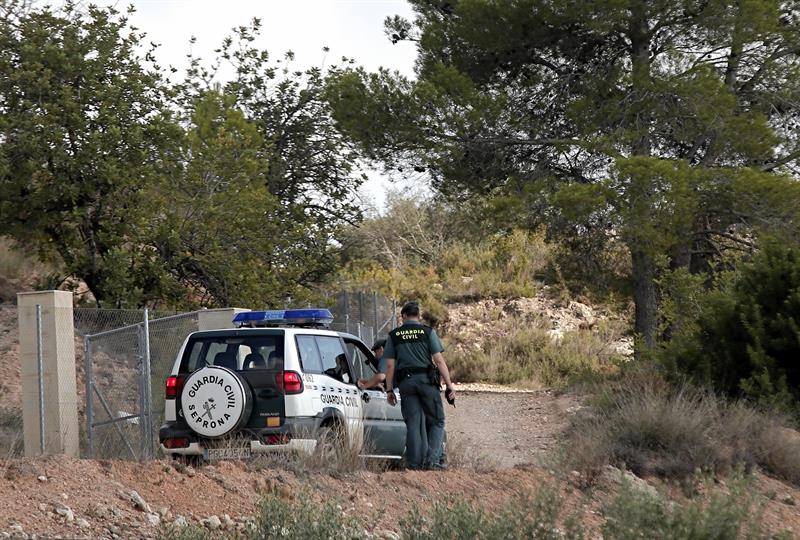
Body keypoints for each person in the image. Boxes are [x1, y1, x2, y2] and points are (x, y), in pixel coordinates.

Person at [383, 301, 455, 470]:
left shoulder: (394, 335)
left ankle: (414, 466)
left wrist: (389, 390)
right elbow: (439, 360)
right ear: (418, 315)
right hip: (426, 382)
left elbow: (390, 366)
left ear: (403, 316)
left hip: (406, 384)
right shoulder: (427, 332)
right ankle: (433, 461)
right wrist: (450, 385)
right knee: (437, 421)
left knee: (413, 424)